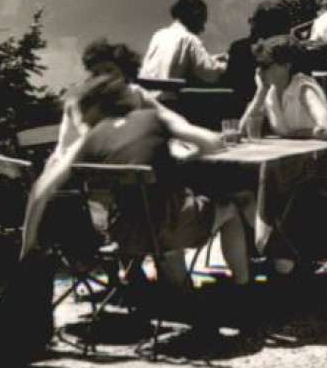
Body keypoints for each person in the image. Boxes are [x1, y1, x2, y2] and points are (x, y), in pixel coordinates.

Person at [21, 74, 250, 290]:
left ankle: (180, 294)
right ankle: (242, 288)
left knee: (158, 219)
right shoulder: (153, 119)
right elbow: (210, 142)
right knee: (229, 209)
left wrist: (27, 250)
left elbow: (41, 190)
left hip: (123, 235)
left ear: (94, 110)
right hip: (169, 226)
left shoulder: (89, 141)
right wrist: (181, 160)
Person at [239, 37, 327, 140]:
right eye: (258, 65)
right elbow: (243, 130)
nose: (259, 71)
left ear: (286, 66)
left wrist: (295, 134)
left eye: (265, 65)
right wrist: (261, 91)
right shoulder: (270, 94)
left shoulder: (304, 89)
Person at [222, 0, 294, 111]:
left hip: (246, 109)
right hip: (286, 109)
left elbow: (231, 82)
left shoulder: (238, 49)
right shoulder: (293, 51)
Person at [141, 0, 225, 84]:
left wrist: (211, 59)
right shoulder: (189, 39)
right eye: (202, 21)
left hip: (146, 95)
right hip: (167, 96)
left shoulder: (158, 35)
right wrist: (228, 66)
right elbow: (209, 74)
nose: (202, 29)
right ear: (194, 17)